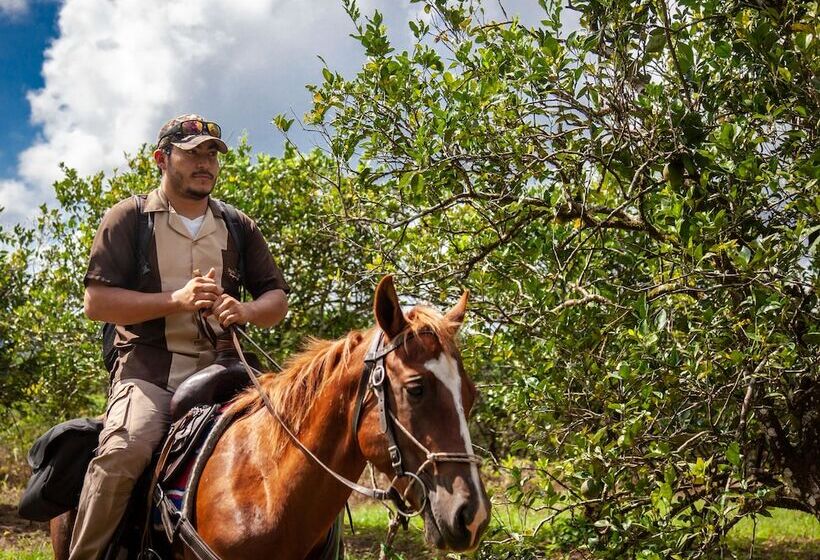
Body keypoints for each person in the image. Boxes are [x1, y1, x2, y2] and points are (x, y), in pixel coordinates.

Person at [70, 114, 289, 560]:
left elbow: (277, 300)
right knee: (124, 451)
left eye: (211, 154)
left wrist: (244, 309)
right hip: (150, 372)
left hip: (229, 376)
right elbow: (97, 303)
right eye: (192, 154)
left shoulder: (238, 225)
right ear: (162, 158)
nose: (204, 163)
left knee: (301, 439)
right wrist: (177, 300)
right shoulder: (128, 218)